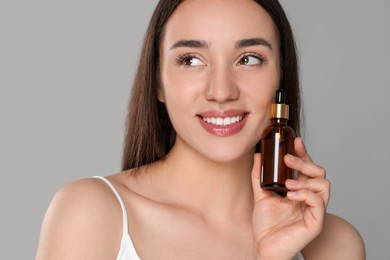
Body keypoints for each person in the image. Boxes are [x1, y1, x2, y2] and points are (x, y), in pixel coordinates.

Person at [36, 0, 365, 259]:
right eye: (191, 60)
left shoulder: (334, 246)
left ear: (280, 76)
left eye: (249, 59)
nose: (221, 91)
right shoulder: (90, 214)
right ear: (158, 83)